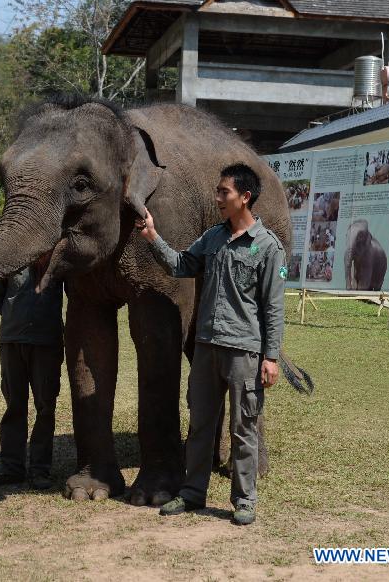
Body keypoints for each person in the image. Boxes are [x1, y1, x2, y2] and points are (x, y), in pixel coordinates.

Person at [136, 163, 286, 526]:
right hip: (207, 348)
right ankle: (192, 492)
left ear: (244, 197)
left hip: (244, 353)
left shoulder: (268, 248)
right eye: (217, 191)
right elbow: (181, 265)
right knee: (201, 424)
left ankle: (244, 499)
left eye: (224, 192)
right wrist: (153, 236)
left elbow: (274, 306)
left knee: (243, 427)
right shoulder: (213, 238)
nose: (217, 198)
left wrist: (271, 357)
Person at [0, 256, 64, 490]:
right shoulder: (10, 259)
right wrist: (15, 315)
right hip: (11, 340)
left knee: (45, 407)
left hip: (46, 341)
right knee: (14, 406)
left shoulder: (56, 258)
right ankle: (11, 468)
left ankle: (40, 470)